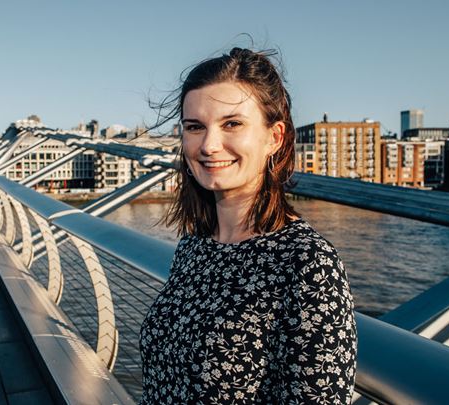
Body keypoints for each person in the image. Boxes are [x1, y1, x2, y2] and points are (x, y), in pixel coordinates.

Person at [139, 48, 357, 404]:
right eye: (195, 127)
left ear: (275, 137)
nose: (209, 145)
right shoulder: (195, 246)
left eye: (232, 124)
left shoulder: (306, 262)